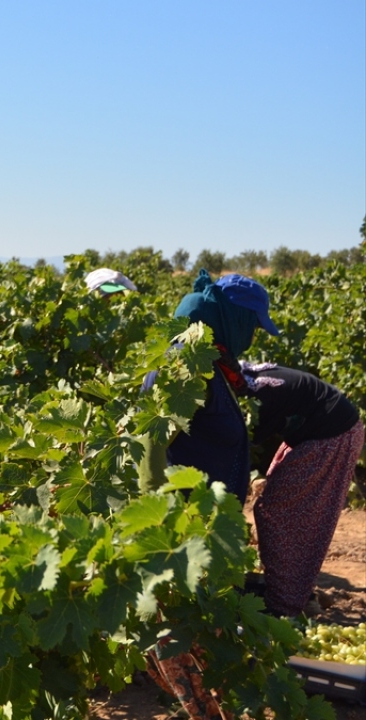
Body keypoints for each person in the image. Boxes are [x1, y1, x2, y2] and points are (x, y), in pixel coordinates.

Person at [137, 270, 280, 720]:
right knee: (187, 643)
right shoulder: (182, 365)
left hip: (209, 532)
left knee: (204, 641)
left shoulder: (210, 361)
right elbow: (152, 450)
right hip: (183, 535)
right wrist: (163, 533)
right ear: (230, 318)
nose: (253, 336)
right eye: (251, 325)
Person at [139, 271, 280, 503]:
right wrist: (157, 516)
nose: (252, 339)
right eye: (254, 329)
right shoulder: (190, 364)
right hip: (184, 522)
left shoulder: (210, 361)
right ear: (237, 320)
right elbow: (152, 442)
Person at [240, 362, 363, 617]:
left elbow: (235, 450)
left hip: (331, 435)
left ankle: (287, 603)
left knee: (278, 513)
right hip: (313, 431)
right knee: (279, 510)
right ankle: (294, 593)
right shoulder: (243, 381)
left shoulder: (250, 399)